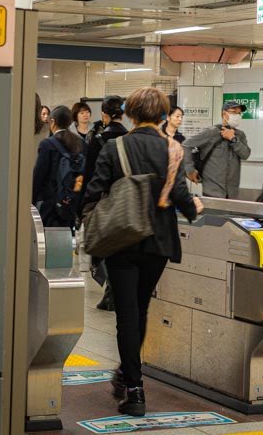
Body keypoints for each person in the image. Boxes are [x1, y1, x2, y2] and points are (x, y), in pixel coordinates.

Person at [82, 87, 202, 416]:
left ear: (131, 113)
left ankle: (134, 389)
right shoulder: (171, 148)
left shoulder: (114, 147)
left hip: (121, 239)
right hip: (158, 242)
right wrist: (194, 207)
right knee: (141, 307)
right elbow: (181, 197)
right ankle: (127, 372)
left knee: (126, 315)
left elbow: (94, 191)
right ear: (162, 115)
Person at [85, 95, 127, 312]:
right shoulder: (129, 138)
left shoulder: (98, 140)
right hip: (126, 201)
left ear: (104, 114)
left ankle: (111, 291)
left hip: (104, 200)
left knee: (104, 247)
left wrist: (85, 206)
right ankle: (116, 291)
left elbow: (90, 174)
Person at [32, 106, 87, 229]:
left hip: (50, 207)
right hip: (71, 205)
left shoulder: (47, 144)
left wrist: (31, 202)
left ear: (52, 122)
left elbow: (38, 177)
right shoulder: (81, 143)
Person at [183, 101, 251, 199]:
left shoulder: (240, 135)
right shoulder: (212, 132)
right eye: (234, 112)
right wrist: (190, 170)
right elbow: (186, 145)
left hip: (232, 193)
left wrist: (233, 139)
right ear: (224, 113)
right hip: (212, 191)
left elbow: (246, 155)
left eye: (239, 113)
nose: (237, 116)